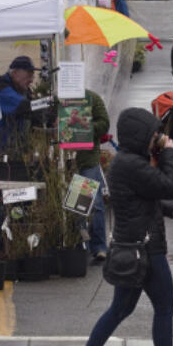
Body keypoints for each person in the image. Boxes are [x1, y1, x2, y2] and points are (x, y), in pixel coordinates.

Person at [69, 107, 173, 346]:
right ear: (141, 135)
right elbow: (168, 185)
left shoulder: (128, 162)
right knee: (164, 306)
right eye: (154, 133)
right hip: (145, 249)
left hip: (132, 247)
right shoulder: (132, 164)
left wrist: (169, 211)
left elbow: (141, 200)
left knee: (121, 308)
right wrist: (169, 154)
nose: (158, 137)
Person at [0, 55, 43, 166]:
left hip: (14, 156)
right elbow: (24, 107)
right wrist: (47, 106)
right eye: (29, 75)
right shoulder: (2, 90)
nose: (31, 80)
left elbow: (32, 114)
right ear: (15, 73)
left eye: (32, 76)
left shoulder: (22, 91)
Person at [75, 88, 111, 263]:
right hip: (60, 161)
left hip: (86, 159)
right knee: (76, 205)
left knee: (93, 203)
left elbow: (104, 123)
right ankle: (80, 244)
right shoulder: (55, 99)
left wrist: (85, 127)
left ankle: (98, 247)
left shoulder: (91, 97)